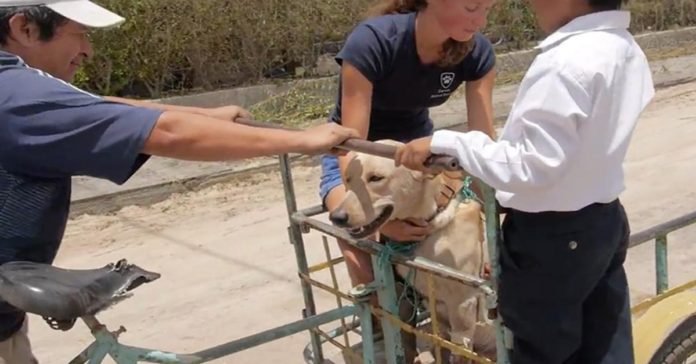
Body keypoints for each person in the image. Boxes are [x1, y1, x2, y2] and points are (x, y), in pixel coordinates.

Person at [0, 1, 359, 362]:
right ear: (25, 29)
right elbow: (167, 133)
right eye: (80, 34)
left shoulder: (15, 84)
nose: (87, 51)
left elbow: (99, 105)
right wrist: (302, 140)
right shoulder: (17, 94)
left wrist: (206, 115)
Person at [395, 0, 654, 363]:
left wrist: (448, 142)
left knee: (541, 349)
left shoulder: (564, 63)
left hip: (553, 237)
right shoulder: (624, 47)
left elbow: (531, 165)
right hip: (602, 220)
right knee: (604, 341)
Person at [320, 0, 497, 307]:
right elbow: (351, 144)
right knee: (358, 238)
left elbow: (483, 145)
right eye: (472, 8)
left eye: (488, 9)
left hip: (416, 153)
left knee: (463, 225)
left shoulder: (477, 53)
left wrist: (498, 234)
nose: (480, 20)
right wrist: (381, 224)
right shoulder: (372, 43)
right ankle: (381, 330)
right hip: (356, 157)